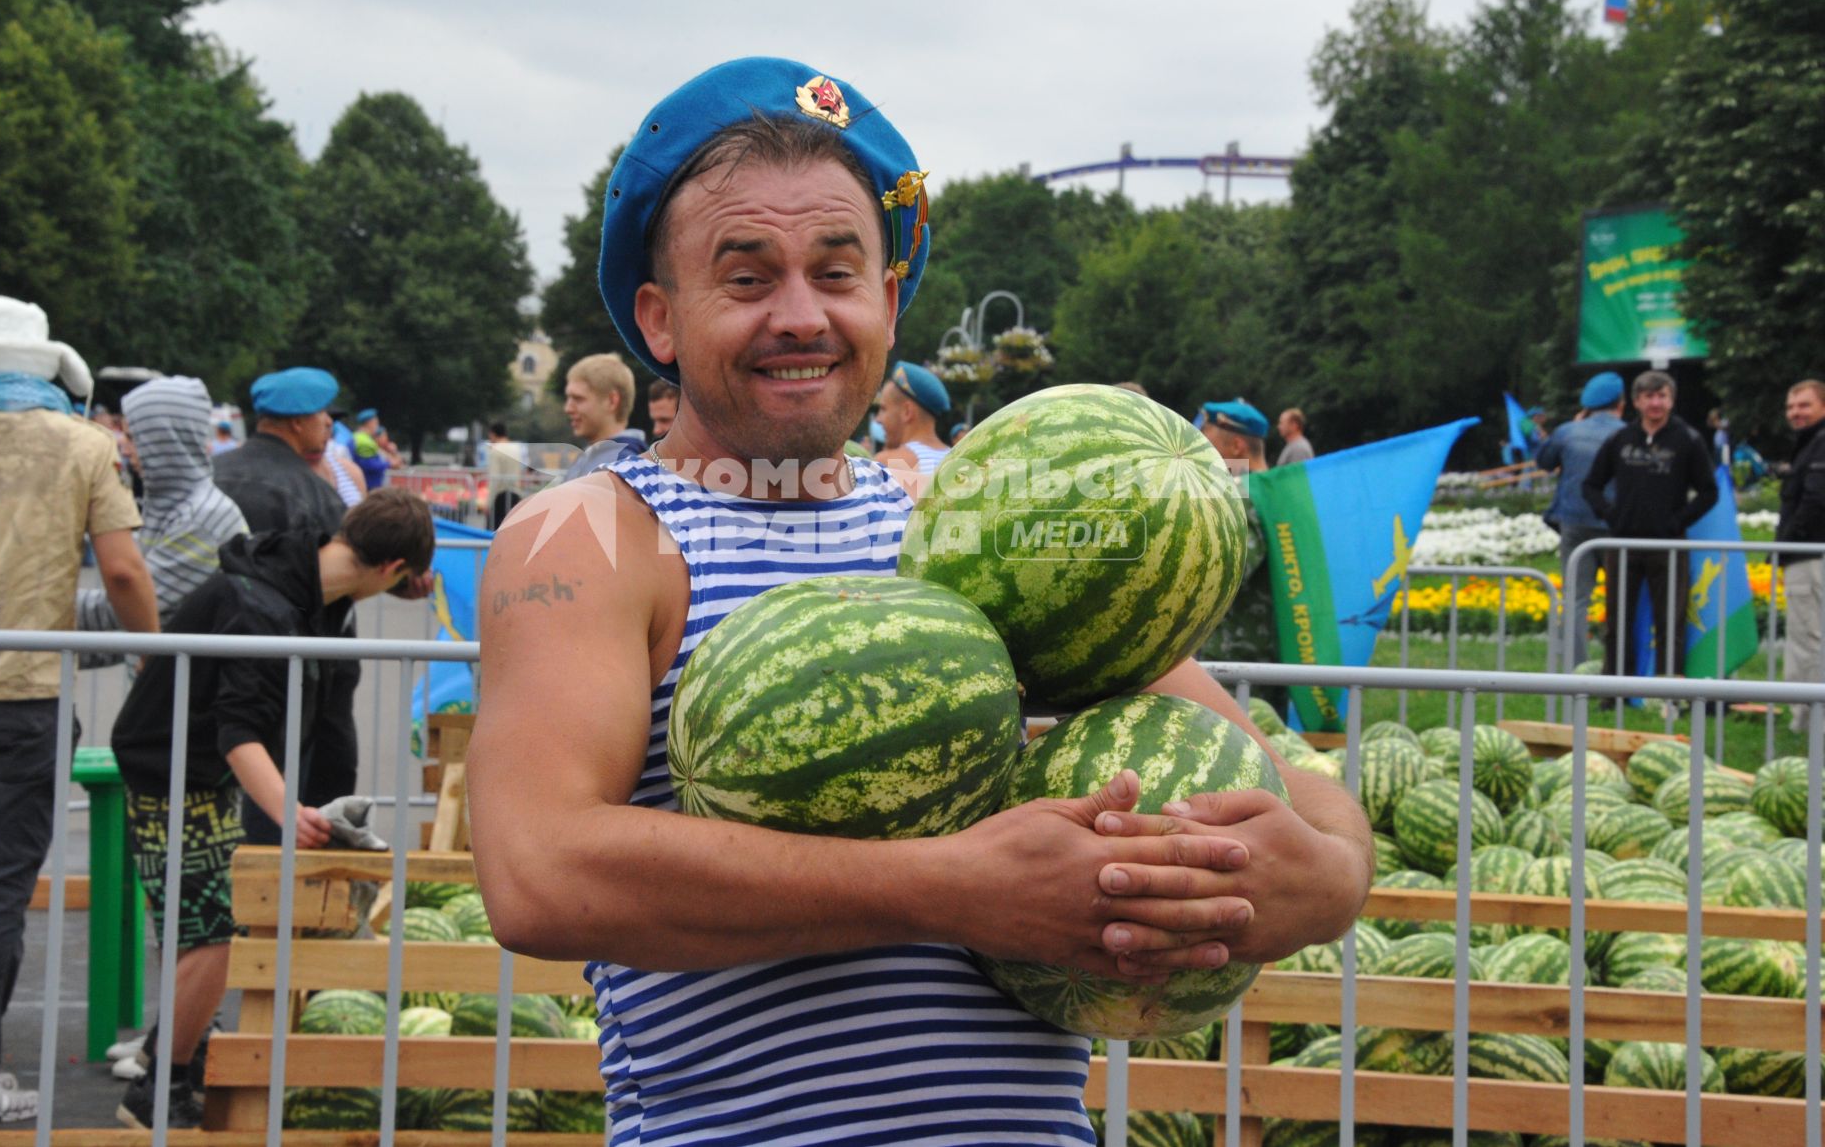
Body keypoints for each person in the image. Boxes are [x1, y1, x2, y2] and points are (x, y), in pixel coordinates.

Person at [468, 57, 1371, 1145]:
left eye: (838, 273)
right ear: (660, 320)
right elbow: (537, 870)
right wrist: (954, 888)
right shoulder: (592, 534)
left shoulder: (986, 523)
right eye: (747, 278)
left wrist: (1308, 883)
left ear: (888, 302)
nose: (800, 315)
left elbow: (1313, 803)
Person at [0, 296, 158, 1127]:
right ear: (48, 367)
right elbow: (122, 571)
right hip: (26, 690)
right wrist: (151, 648)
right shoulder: (84, 445)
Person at [107, 489, 433, 1128]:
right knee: (216, 931)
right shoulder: (264, 609)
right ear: (391, 567)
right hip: (171, 766)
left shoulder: (307, 572)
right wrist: (291, 809)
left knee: (203, 924)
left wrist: (396, 583)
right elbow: (238, 731)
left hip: (189, 762)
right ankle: (156, 1088)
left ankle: (176, 1060)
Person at [212, 368, 362, 844]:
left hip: (211, 652)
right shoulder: (314, 492)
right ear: (298, 422)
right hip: (297, 669)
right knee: (296, 783)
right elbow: (347, 573)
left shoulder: (214, 473)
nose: (328, 425)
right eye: (321, 415)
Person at [77, 377, 249, 649]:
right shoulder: (176, 506)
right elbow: (142, 630)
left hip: (187, 689)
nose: (123, 446)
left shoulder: (203, 519)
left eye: (133, 437)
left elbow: (123, 607)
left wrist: (27, 601)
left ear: (163, 442)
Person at [1582, 370, 1718, 679]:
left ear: (1672, 400)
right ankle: (1615, 686)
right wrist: (1610, 514)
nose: (1656, 403)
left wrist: (1678, 522)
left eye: (1662, 396)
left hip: (1668, 545)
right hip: (1623, 544)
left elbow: (1709, 492)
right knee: (1617, 620)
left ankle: (1668, 689)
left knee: (1670, 619)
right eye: (1649, 397)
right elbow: (1591, 485)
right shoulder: (1620, 439)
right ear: (1636, 402)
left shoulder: (1688, 440)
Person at [1537, 371, 1627, 667]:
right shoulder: (1629, 434)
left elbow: (1544, 462)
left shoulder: (1567, 431)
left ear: (1587, 405)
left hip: (1574, 524)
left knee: (1576, 599)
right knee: (1621, 599)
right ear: (1622, 403)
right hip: (1616, 526)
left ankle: (1576, 667)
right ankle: (1619, 665)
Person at [1195, 400, 1278, 675]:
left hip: (1236, 658)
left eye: (1207, 439)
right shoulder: (1275, 491)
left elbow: (1222, 576)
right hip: (1263, 654)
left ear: (1237, 447)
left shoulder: (1241, 495)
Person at [1778, 378, 1825, 709]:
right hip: (1807, 552)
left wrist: (1789, 539)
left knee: (1807, 638)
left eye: (1804, 405)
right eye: (1791, 407)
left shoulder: (1820, 443)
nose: (1796, 413)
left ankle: (1806, 719)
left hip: (1809, 554)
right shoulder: (1809, 442)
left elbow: (1815, 497)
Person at [560, 352, 647, 479]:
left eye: (578, 399)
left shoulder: (623, 466)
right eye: (568, 398)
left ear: (612, 401)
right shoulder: (590, 459)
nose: (568, 408)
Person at [873, 359, 953, 492]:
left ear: (907, 412)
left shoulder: (886, 463)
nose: (878, 419)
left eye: (883, 409)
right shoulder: (958, 460)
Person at [348, 408, 400, 492]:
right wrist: (388, 464)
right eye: (376, 423)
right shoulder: (364, 441)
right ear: (370, 423)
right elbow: (368, 465)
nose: (377, 426)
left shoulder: (358, 437)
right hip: (368, 486)